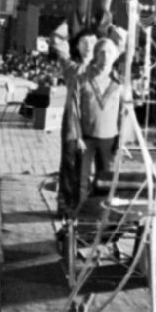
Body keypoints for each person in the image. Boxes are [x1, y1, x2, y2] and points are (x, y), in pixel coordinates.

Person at [52, 28, 98, 217]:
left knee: (86, 169)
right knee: (69, 165)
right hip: (72, 125)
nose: (88, 47)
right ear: (77, 47)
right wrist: (70, 25)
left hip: (92, 126)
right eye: (84, 43)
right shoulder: (71, 68)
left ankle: (82, 205)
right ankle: (65, 205)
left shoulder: (101, 69)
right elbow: (56, 40)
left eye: (93, 43)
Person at [78, 38, 123, 202]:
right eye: (102, 52)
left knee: (105, 179)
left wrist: (122, 139)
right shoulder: (84, 78)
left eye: (110, 52)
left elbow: (124, 113)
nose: (106, 56)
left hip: (109, 138)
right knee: (82, 177)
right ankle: (80, 210)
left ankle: (100, 210)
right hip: (86, 136)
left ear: (115, 56)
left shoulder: (119, 82)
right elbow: (75, 109)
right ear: (96, 55)